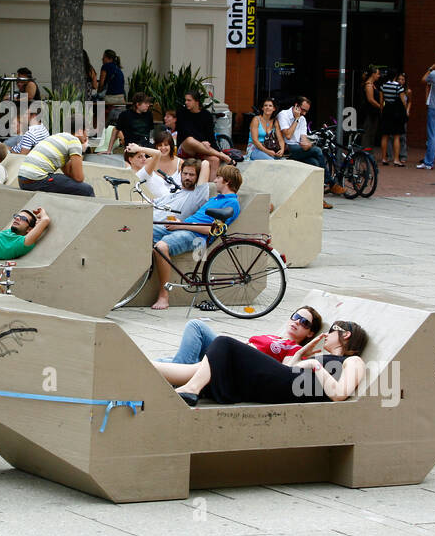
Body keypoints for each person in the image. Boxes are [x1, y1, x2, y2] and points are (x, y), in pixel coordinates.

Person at [156, 321, 368, 407]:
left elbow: (339, 394)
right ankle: (141, 369)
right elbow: (289, 366)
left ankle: (191, 390)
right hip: (283, 381)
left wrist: (314, 366)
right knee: (207, 369)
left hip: (289, 386)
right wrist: (305, 351)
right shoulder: (319, 356)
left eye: (332, 330)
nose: (326, 335)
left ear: (346, 334)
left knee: (225, 343)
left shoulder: (353, 361)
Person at [150, 163, 241, 310]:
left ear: (227, 181)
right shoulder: (216, 199)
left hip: (197, 238)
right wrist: (179, 223)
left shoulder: (232, 202)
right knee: (146, 230)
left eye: (218, 177)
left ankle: (164, 295)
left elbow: (213, 229)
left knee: (161, 247)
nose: (215, 180)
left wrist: (182, 225)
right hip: (185, 229)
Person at [159, 306, 325, 364]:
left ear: (310, 333)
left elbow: (286, 370)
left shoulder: (294, 349)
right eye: (296, 317)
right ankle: (181, 367)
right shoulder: (274, 337)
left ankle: (180, 371)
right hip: (228, 352)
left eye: (304, 322)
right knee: (161, 362)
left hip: (237, 361)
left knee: (196, 325)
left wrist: (302, 354)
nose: (297, 322)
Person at [278, 95, 340, 207]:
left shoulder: (302, 119)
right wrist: (296, 119)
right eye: (303, 110)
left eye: (306, 111)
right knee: (317, 151)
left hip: (299, 148)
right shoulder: (283, 115)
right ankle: (331, 183)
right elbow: (287, 135)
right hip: (288, 148)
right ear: (296, 106)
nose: (304, 113)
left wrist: (307, 144)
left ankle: (319, 200)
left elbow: (303, 137)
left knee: (315, 164)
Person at [17, 126, 94, 197]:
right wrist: (82, 151)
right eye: (86, 131)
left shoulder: (58, 137)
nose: (87, 136)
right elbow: (79, 178)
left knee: (69, 183)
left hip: (23, 181)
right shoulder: (74, 141)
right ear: (80, 131)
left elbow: (68, 174)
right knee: (87, 189)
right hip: (36, 180)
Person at [175, 91, 231, 173]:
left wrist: (216, 149)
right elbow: (185, 133)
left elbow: (211, 137)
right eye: (185, 100)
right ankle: (222, 156)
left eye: (189, 100)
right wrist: (202, 142)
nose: (186, 102)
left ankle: (211, 185)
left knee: (215, 160)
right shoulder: (181, 112)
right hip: (186, 148)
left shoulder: (206, 115)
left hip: (200, 149)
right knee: (190, 140)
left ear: (196, 101)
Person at [378, 73, 408, 166]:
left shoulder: (383, 86)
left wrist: (382, 111)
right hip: (396, 111)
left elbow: (381, 100)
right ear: (395, 77)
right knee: (396, 136)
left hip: (386, 110)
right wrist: (404, 111)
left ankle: (384, 158)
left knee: (385, 135)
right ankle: (396, 159)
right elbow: (403, 100)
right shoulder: (398, 86)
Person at [360, 65, 384, 149]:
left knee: (372, 133)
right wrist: (381, 107)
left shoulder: (373, 85)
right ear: (373, 74)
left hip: (374, 112)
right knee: (368, 132)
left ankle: (369, 151)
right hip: (369, 112)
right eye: (377, 74)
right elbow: (370, 99)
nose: (379, 76)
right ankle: (366, 152)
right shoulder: (369, 85)